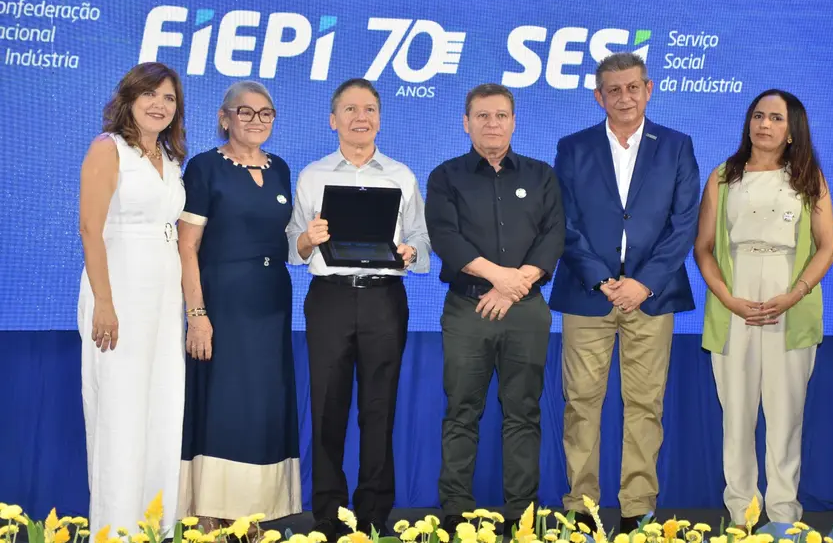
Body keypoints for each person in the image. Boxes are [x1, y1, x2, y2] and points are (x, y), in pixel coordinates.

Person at [548, 52, 700, 533]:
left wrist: (642, 283)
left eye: (633, 87)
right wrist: (601, 278)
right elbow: (564, 225)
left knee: (645, 404)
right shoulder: (572, 148)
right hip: (587, 294)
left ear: (648, 89)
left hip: (652, 297)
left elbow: (684, 224)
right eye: (613, 90)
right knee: (581, 404)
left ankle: (638, 508)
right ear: (598, 96)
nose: (624, 97)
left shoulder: (676, 146)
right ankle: (582, 509)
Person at [285, 78, 430, 540]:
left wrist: (409, 252)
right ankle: (328, 512)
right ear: (334, 120)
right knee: (327, 406)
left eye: (368, 109)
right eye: (349, 110)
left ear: (380, 119)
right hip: (328, 298)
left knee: (378, 407)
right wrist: (308, 239)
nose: (360, 118)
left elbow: (422, 239)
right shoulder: (312, 175)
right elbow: (292, 244)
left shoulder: (402, 176)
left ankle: (373, 513)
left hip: (384, 298)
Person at [425, 83, 564, 532]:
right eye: (482, 116)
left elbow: (553, 236)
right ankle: (456, 511)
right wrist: (498, 277)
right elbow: (446, 239)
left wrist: (512, 285)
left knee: (523, 412)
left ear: (514, 121)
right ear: (466, 123)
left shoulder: (542, 175)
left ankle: (521, 512)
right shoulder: (445, 177)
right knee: (462, 410)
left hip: (526, 308)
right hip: (469, 310)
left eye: (501, 115)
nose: (492, 124)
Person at [695, 90, 833, 526]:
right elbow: (703, 248)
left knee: (785, 415)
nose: (764, 124)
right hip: (734, 300)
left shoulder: (808, 177)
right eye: (758, 115)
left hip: (789, 302)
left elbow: (828, 247)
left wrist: (794, 294)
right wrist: (727, 298)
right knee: (736, 416)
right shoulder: (723, 176)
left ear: (792, 130)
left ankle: (781, 517)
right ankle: (742, 514)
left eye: (776, 118)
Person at [177, 81, 301, 532]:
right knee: (224, 405)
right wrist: (197, 315)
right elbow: (186, 247)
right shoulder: (205, 168)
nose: (256, 121)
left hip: (272, 300)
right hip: (222, 301)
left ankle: (252, 517)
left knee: (264, 405)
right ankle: (210, 518)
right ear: (224, 117)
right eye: (245, 112)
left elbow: (287, 241)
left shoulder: (281, 168)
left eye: (265, 113)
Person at [78, 62, 187, 536]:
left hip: (164, 298)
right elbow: (90, 229)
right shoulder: (109, 149)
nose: (160, 105)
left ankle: (153, 527)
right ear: (129, 97)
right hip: (118, 291)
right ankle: (114, 529)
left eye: (169, 98)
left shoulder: (170, 157)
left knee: (162, 410)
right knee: (120, 414)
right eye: (151, 95)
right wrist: (104, 301)